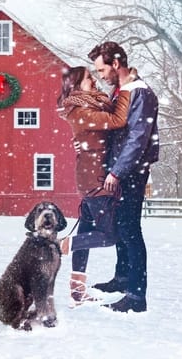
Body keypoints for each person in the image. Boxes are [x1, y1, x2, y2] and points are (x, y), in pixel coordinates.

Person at [88, 41, 159, 313]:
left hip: (131, 171)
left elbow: (138, 138)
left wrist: (117, 171)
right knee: (121, 224)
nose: (100, 75)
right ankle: (122, 278)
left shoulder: (139, 93)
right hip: (119, 170)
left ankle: (136, 296)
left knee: (130, 228)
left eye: (102, 69)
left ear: (115, 64)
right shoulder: (121, 92)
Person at [57, 66, 135, 307]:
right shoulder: (80, 110)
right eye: (88, 78)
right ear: (77, 85)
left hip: (92, 174)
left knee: (86, 231)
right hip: (95, 179)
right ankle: (61, 245)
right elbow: (118, 119)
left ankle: (77, 292)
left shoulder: (88, 106)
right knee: (109, 235)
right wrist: (128, 88)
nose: (94, 80)